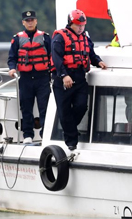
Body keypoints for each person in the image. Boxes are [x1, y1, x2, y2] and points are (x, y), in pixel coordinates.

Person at [51, 9, 107, 151]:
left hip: (80, 76)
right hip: (62, 78)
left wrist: (98, 61)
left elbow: (91, 54)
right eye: (78, 25)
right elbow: (56, 59)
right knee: (64, 111)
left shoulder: (85, 38)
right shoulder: (60, 37)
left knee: (81, 106)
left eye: (83, 25)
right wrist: (64, 76)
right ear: (71, 23)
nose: (81, 27)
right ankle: (71, 143)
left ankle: (69, 130)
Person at [7, 10, 52, 144]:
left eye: (32, 20)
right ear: (23, 23)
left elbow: (52, 55)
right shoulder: (17, 39)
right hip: (25, 78)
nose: (30, 22)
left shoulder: (45, 37)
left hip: (42, 77)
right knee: (26, 107)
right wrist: (12, 69)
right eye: (27, 21)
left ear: (36, 21)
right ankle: (28, 135)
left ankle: (46, 134)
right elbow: (12, 58)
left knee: (44, 107)